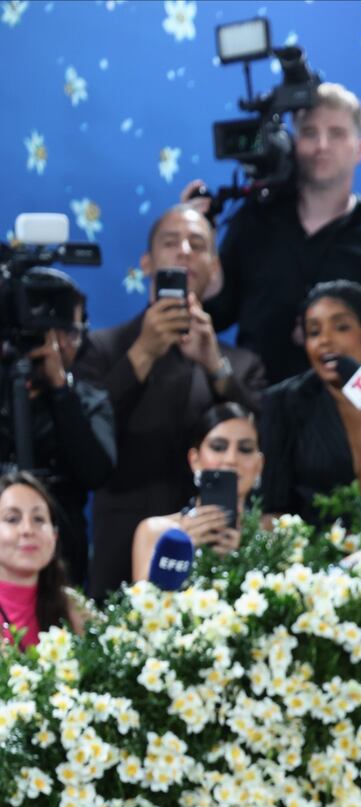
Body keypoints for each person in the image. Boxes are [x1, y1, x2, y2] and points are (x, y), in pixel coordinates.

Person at [76, 206, 265, 600]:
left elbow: (264, 437)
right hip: (118, 549)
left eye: (198, 245)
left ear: (214, 268)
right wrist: (142, 353)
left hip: (219, 544)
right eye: (170, 242)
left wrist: (216, 367)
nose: (183, 251)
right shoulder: (102, 348)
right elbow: (83, 444)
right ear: (147, 262)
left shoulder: (241, 363)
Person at [193, 84, 361, 386]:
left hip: (355, 417)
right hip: (257, 406)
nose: (322, 144)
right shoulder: (252, 222)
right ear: (294, 144)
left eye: (336, 133)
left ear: (359, 148)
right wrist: (200, 249)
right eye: (309, 133)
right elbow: (215, 315)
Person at [2, 268, 116, 586]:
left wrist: (60, 391)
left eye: (72, 332)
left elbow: (97, 471)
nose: (58, 344)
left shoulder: (89, 400)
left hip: (63, 559)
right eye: (46, 331)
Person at [259, 280, 361, 514]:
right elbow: (271, 509)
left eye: (341, 327)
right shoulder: (283, 404)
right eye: (314, 332)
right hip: (314, 548)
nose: (325, 340)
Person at [130, 403, 264, 582]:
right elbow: (142, 601)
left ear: (259, 465)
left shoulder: (273, 535)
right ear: (195, 460)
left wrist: (242, 557)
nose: (231, 459)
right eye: (218, 447)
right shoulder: (157, 532)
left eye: (245, 449)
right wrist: (181, 548)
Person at [0, 470, 89, 649]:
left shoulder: (72, 605)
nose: (28, 529)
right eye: (12, 519)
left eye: (38, 519)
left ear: (54, 536)